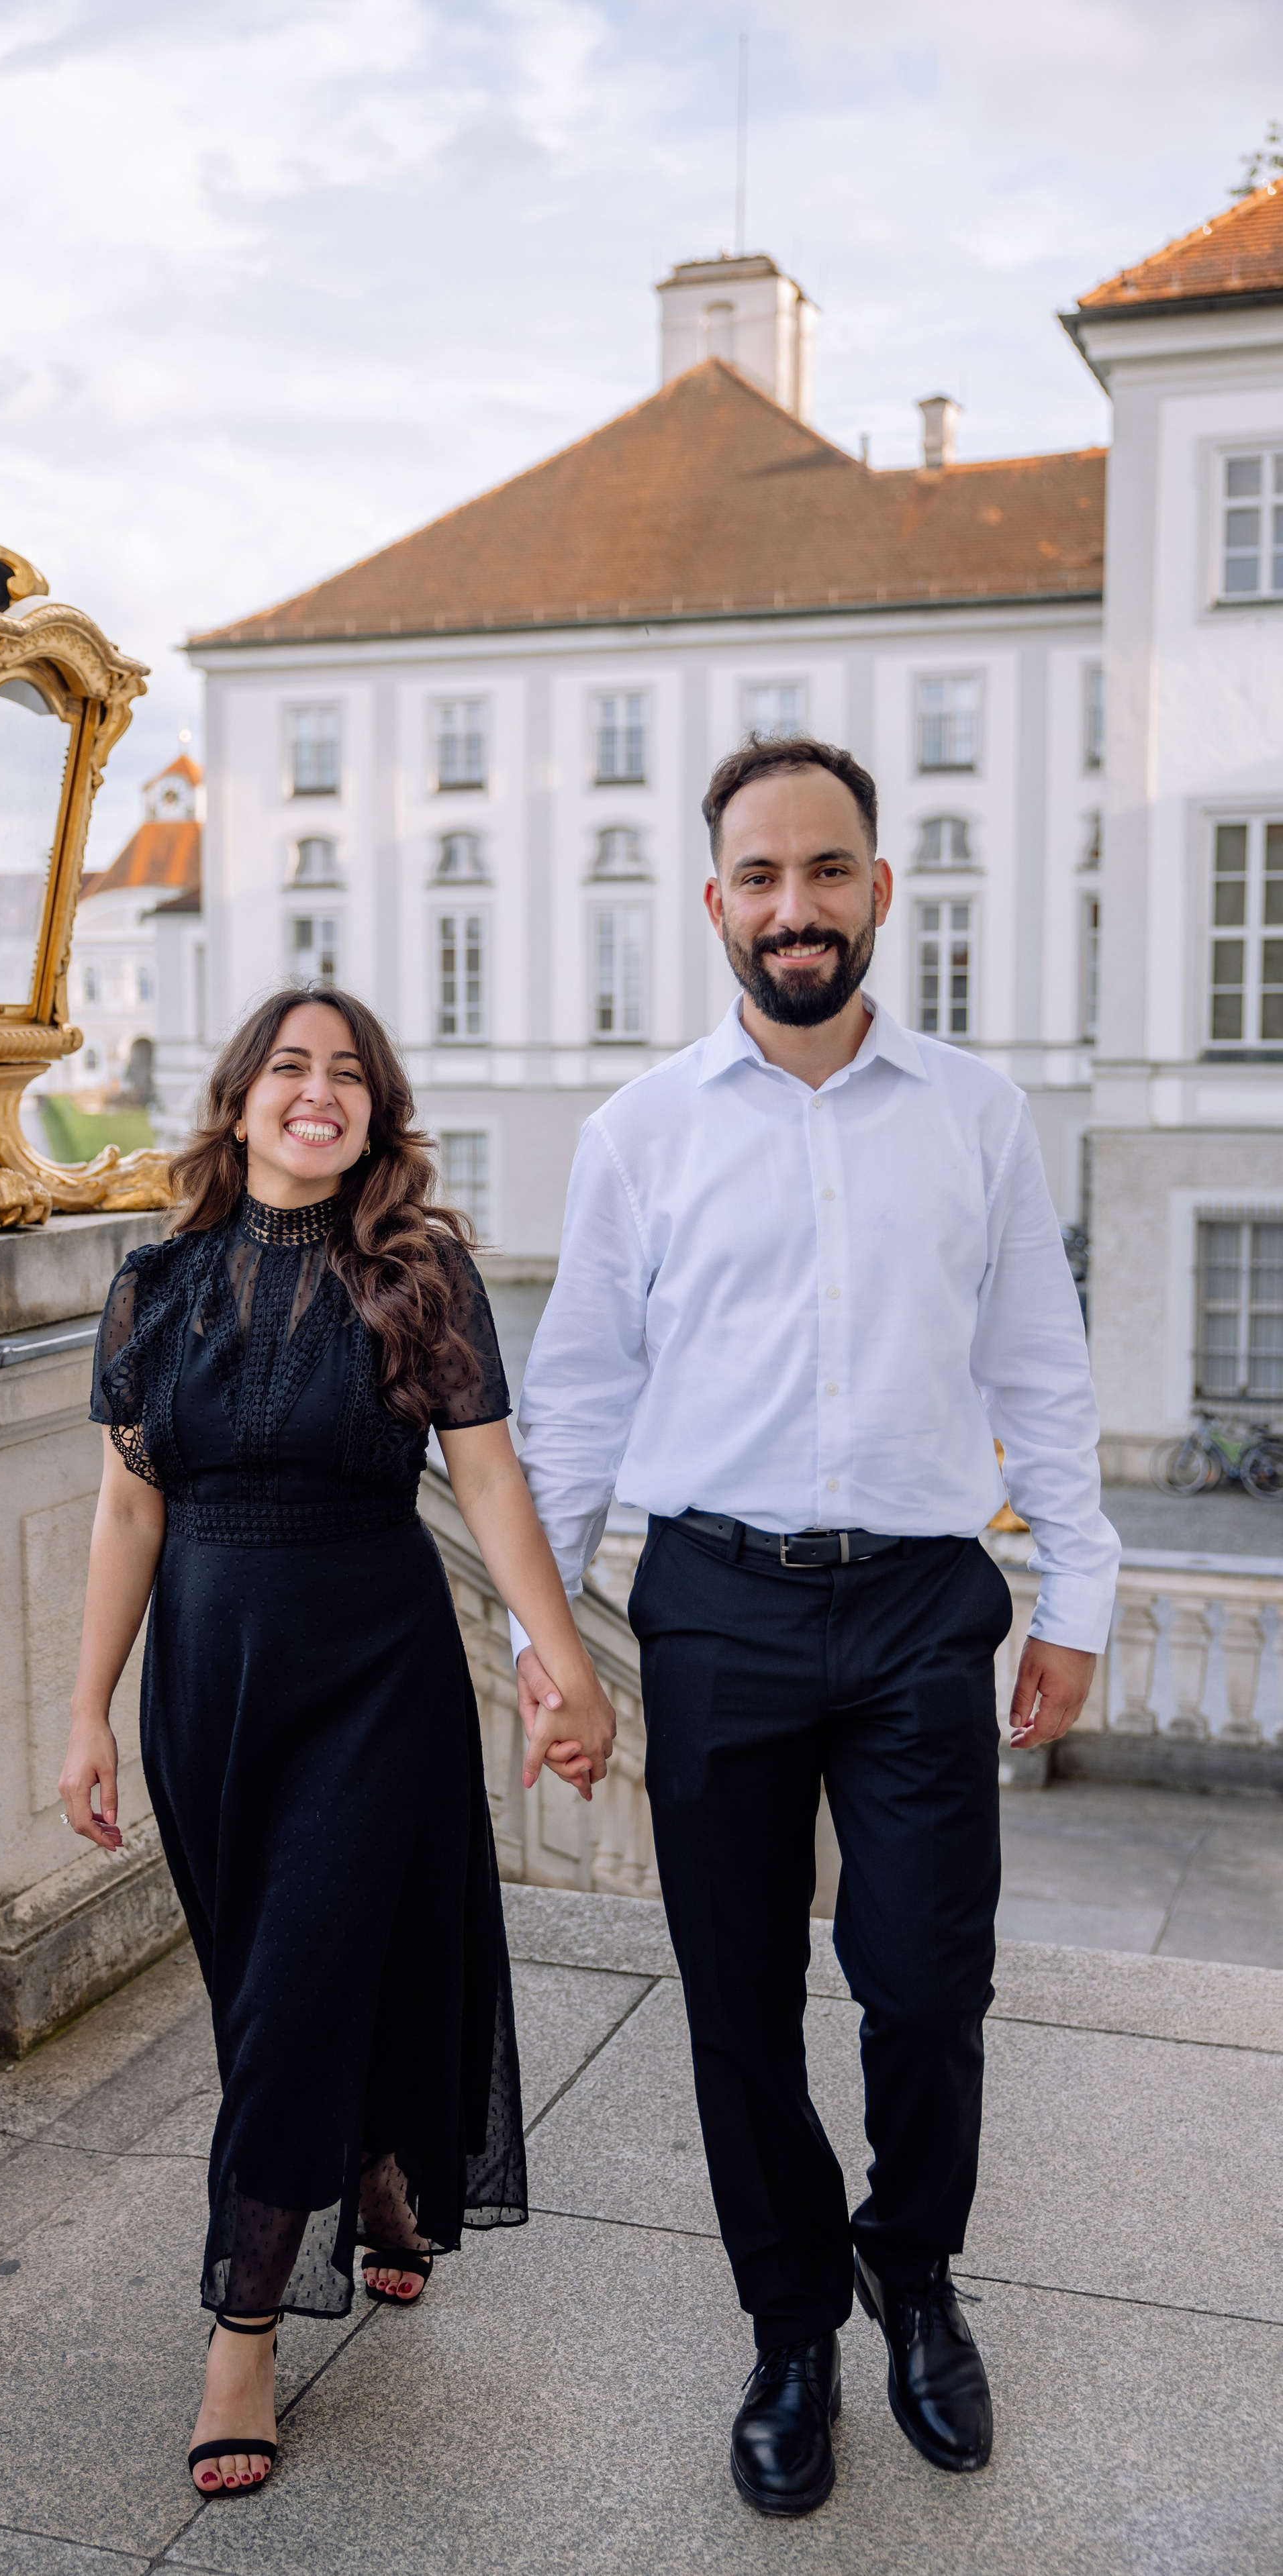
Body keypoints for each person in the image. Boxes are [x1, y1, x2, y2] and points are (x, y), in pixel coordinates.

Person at [513, 736, 1118, 2518]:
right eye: (763, 876)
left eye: (829, 870)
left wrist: (1075, 1599)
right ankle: (791, 2326)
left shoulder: (979, 1113)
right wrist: (556, 1652)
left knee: (929, 1987)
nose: (798, 905)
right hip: (716, 1607)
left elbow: (1044, 1377)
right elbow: (577, 1409)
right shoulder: (638, 1135)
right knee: (735, 2003)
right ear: (716, 902)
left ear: (878, 889)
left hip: (927, 1603)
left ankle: (912, 2273)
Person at [60, 985, 617, 2500]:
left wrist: (563, 1667)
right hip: (209, 1692)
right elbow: (128, 1506)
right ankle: (376, 2176)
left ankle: (241, 2328)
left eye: (350, 1074)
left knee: (306, 1975)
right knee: (268, 1990)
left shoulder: (416, 1273)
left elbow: (493, 1486)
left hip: (375, 1678)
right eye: (290, 1068)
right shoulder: (154, 1283)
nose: (320, 1092)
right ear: (237, 1101)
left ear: (375, 1112)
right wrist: (86, 1711)